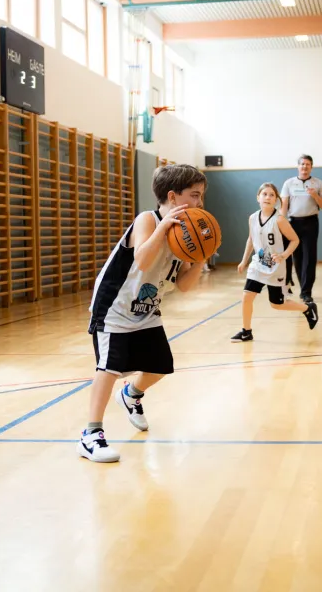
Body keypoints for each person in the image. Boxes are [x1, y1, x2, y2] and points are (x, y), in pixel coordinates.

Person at [79, 164, 211, 463]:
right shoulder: (148, 220)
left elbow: (184, 285)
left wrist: (201, 258)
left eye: (201, 195)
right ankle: (91, 435)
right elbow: (141, 259)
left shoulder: (184, 233)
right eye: (194, 195)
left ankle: (131, 394)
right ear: (173, 197)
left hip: (146, 309)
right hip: (114, 305)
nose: (200, 202)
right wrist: (163, 229)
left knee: (161, 366)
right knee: (109, 368)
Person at [231, 183, 319, 342]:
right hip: (258, 264)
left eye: (272, 195)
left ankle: (307, 308)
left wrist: (283, 255)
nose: (268, 197)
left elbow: (295, 240)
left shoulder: (279, 220)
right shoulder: (252, 218)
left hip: (276, 267)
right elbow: (251, 239)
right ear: (258, 197)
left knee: (277, 304)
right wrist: (244, 261)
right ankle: (246, 331)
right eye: (264, 194)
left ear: (276, 200)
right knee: (247, 296)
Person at [281, 154, 322, 304]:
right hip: (293, 222)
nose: (304, 167)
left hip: (311, 222)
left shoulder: (318, 183)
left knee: (310, 257)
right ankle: (302, 286)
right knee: (298, 257)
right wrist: (281, 223)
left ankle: (306, 292)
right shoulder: (289, 183)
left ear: (311, 167)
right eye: (302, 164)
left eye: (308, 164)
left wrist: (315, 196)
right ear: (298, 166)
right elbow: (284, 206)